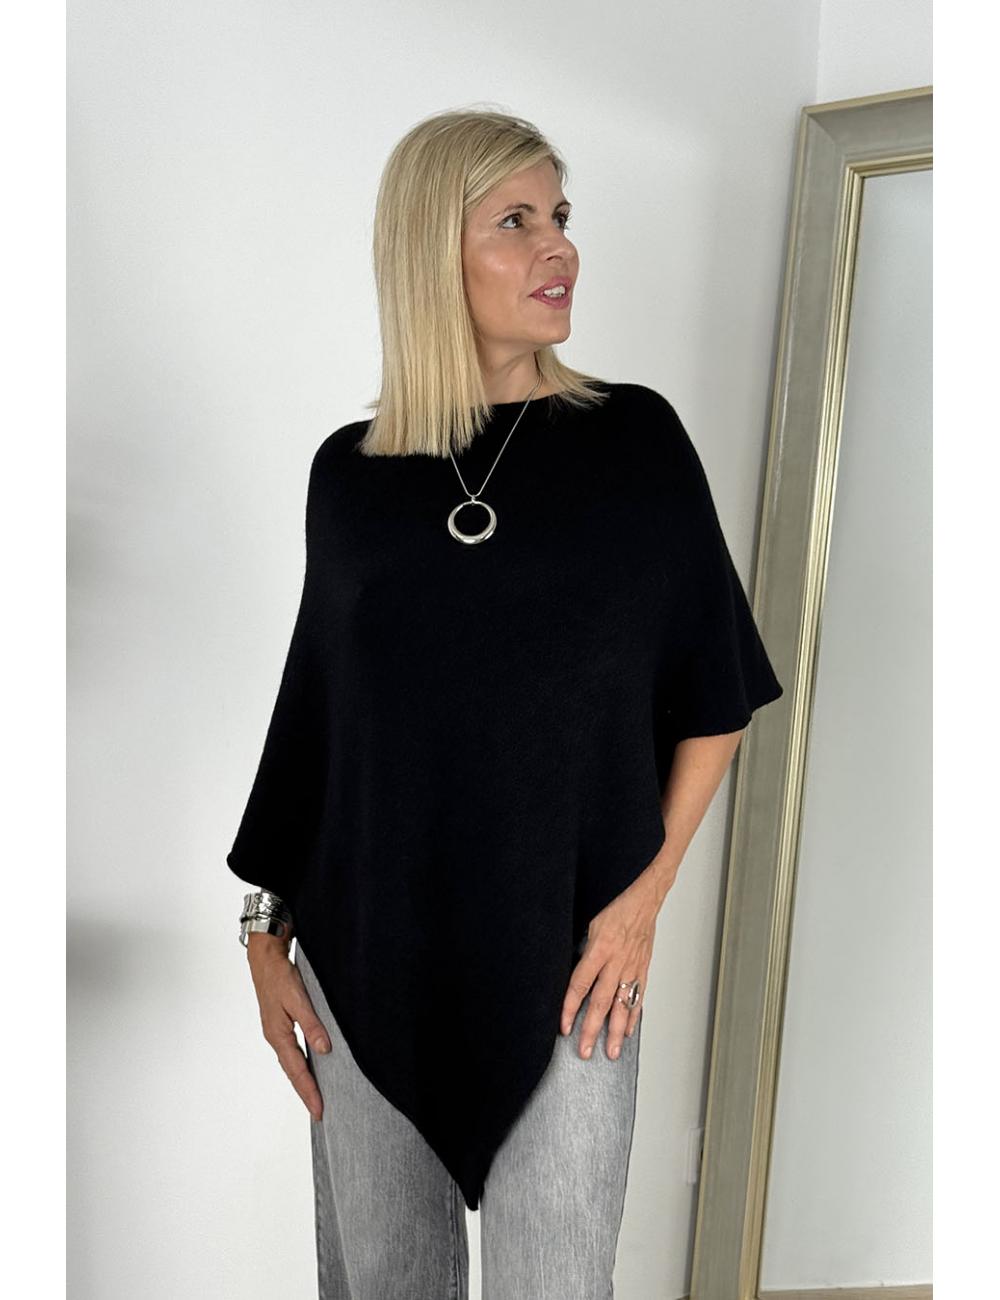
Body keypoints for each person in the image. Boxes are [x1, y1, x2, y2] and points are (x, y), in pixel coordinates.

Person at [227, 108, 783, 1300]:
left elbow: (715, 698)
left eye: (560, 217)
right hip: (363, 956)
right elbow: (319, 731)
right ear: (433, 250)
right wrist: (264, 936)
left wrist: (636, 908)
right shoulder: (350, 474)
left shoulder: (632, 441)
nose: (557, 247)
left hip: (574, 953)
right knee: (387, 1283)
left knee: (556, 1282)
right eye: (515, 221)